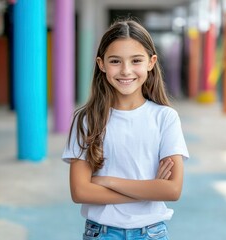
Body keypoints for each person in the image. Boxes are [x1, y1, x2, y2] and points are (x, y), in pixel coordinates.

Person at [62, 19, 189, 240]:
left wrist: (106, 181)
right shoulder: (86, 119)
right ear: (101, 64)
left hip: (151, 233)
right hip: (100, 233)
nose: (126, 70)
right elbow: (80, 192)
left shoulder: (165, 118)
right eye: (115, 61)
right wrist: (149, 190)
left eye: (136, 60)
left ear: (151, 62)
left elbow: (171, 190)